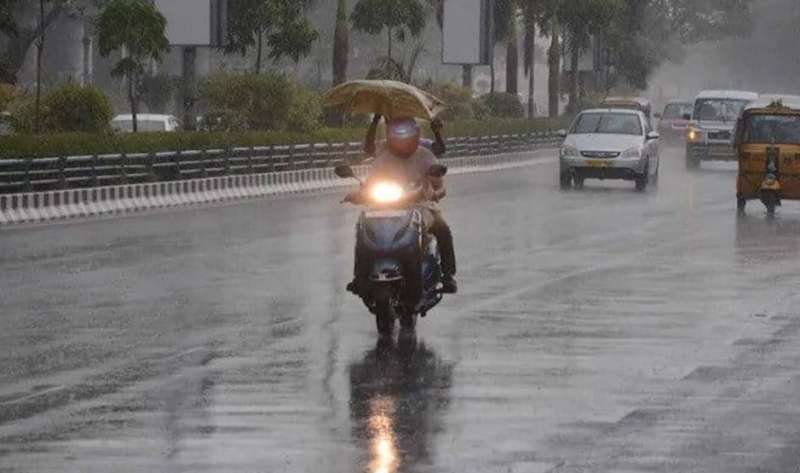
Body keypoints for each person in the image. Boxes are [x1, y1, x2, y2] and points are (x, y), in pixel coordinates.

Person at [348, 115, 457, 294]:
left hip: (421, 205)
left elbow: (440, 185)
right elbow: (369, 183)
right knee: (362, 228)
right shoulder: (382, 156)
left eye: (406, 133)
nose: (402, 139)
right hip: (385, 206)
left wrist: (435, 194)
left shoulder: (425, 154)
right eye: (397, 134)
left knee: (442, 229)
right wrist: (358, 195)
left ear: (415, 134)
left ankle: (448, 275)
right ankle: (359, 276)